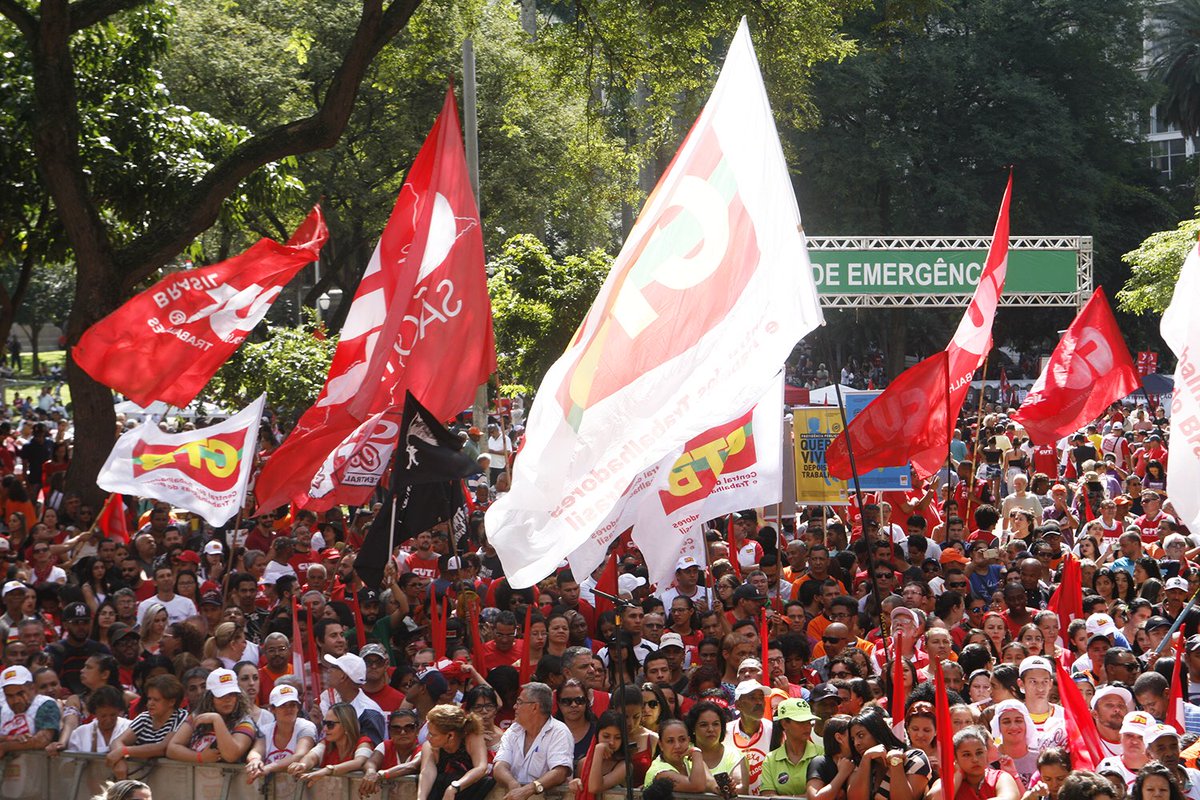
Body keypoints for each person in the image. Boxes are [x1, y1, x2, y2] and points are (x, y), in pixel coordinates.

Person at [493, 682, 574, 798]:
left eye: (520, 702)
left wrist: (528, 790)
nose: (515, 706)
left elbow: (560, 772)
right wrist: (512, 783)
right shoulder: (514, 730)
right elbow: (499, 766)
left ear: (535, 707)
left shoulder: (559, 732)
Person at [164, 667, 257, 765]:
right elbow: (172, 749)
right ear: (210, 697)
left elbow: (231, 755)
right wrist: (200, 757)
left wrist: (217, 720)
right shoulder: (197, 716)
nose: (227, 700)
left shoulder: (245, 723)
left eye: (232, 694)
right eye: (221, 695)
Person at [106, 673, 187, 779]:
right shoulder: (144, 717)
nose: (150, 704)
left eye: (156, 700)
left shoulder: (181, 717)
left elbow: (163, 748)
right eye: (149, 699)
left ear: (171, 702)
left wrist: (124, 751)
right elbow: (117, 741)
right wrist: (120, 761)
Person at [847, 706, 931, 800]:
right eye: (853, 739)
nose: (856, 743)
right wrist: (866, 758)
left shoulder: (914, 758)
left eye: (861, 735)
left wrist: (895, 763)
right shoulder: (861, 764)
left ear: (877, 732)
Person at [416, 703, 493, 800]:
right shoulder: (429, 746)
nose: (428, 737)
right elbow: (427, 772)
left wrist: (454, 787)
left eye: (433, 735)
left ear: (450, 735)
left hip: (469, 791)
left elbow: (481, 767)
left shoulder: (472, 737)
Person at [245, 683, 317, 784]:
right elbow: (256, 751)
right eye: (283, 705)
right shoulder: (265, 730)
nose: (289, 709)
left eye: (292, 705)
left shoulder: (307, 727)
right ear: (273, 709)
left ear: (298, 707)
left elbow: (301, 754)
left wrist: (269, 768)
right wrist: (254, 760)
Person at [290, 701, 374, 786]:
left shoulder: (363, 742)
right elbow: (311, 757)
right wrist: (303, 765)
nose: (325, 729)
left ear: (346, 725)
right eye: (324, 723)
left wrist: (327, 770)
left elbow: (360, 762)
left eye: (330, 724)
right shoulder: (326, 743)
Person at [928, 725, 1021, 800]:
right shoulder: (948, 781)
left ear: (986, 752)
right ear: (955, 757)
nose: (975, 759)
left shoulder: (1000, 777)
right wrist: (958, 775)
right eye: (966, 755)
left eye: (979, 753)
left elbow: (1009, 797)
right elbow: (935, 798)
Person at [761, 698, 824, 796]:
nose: (807, 727)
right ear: (784, 724)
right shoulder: (770, 759)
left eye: (809, 721)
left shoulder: (822, 754)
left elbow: (826, 794)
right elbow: (767, 795)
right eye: (801, 722)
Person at [360, 708, 422, 795]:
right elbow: (372, 762)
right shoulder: (385, 746)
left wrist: (380, 775)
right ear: (390, 731)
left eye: (409, 727)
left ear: (417, 730)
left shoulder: (423, 749)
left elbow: (411, 766)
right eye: (397, 728)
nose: (403, 732)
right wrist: (370, 772)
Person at [643, 718, 709, 792]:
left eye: (682, 740)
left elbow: (712, 784)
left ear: (688, 741)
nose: (677, 746)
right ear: (661, 745)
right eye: (670, 741)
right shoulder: (660, 772)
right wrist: (697, 753)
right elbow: (697, 786)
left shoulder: (690, 760)